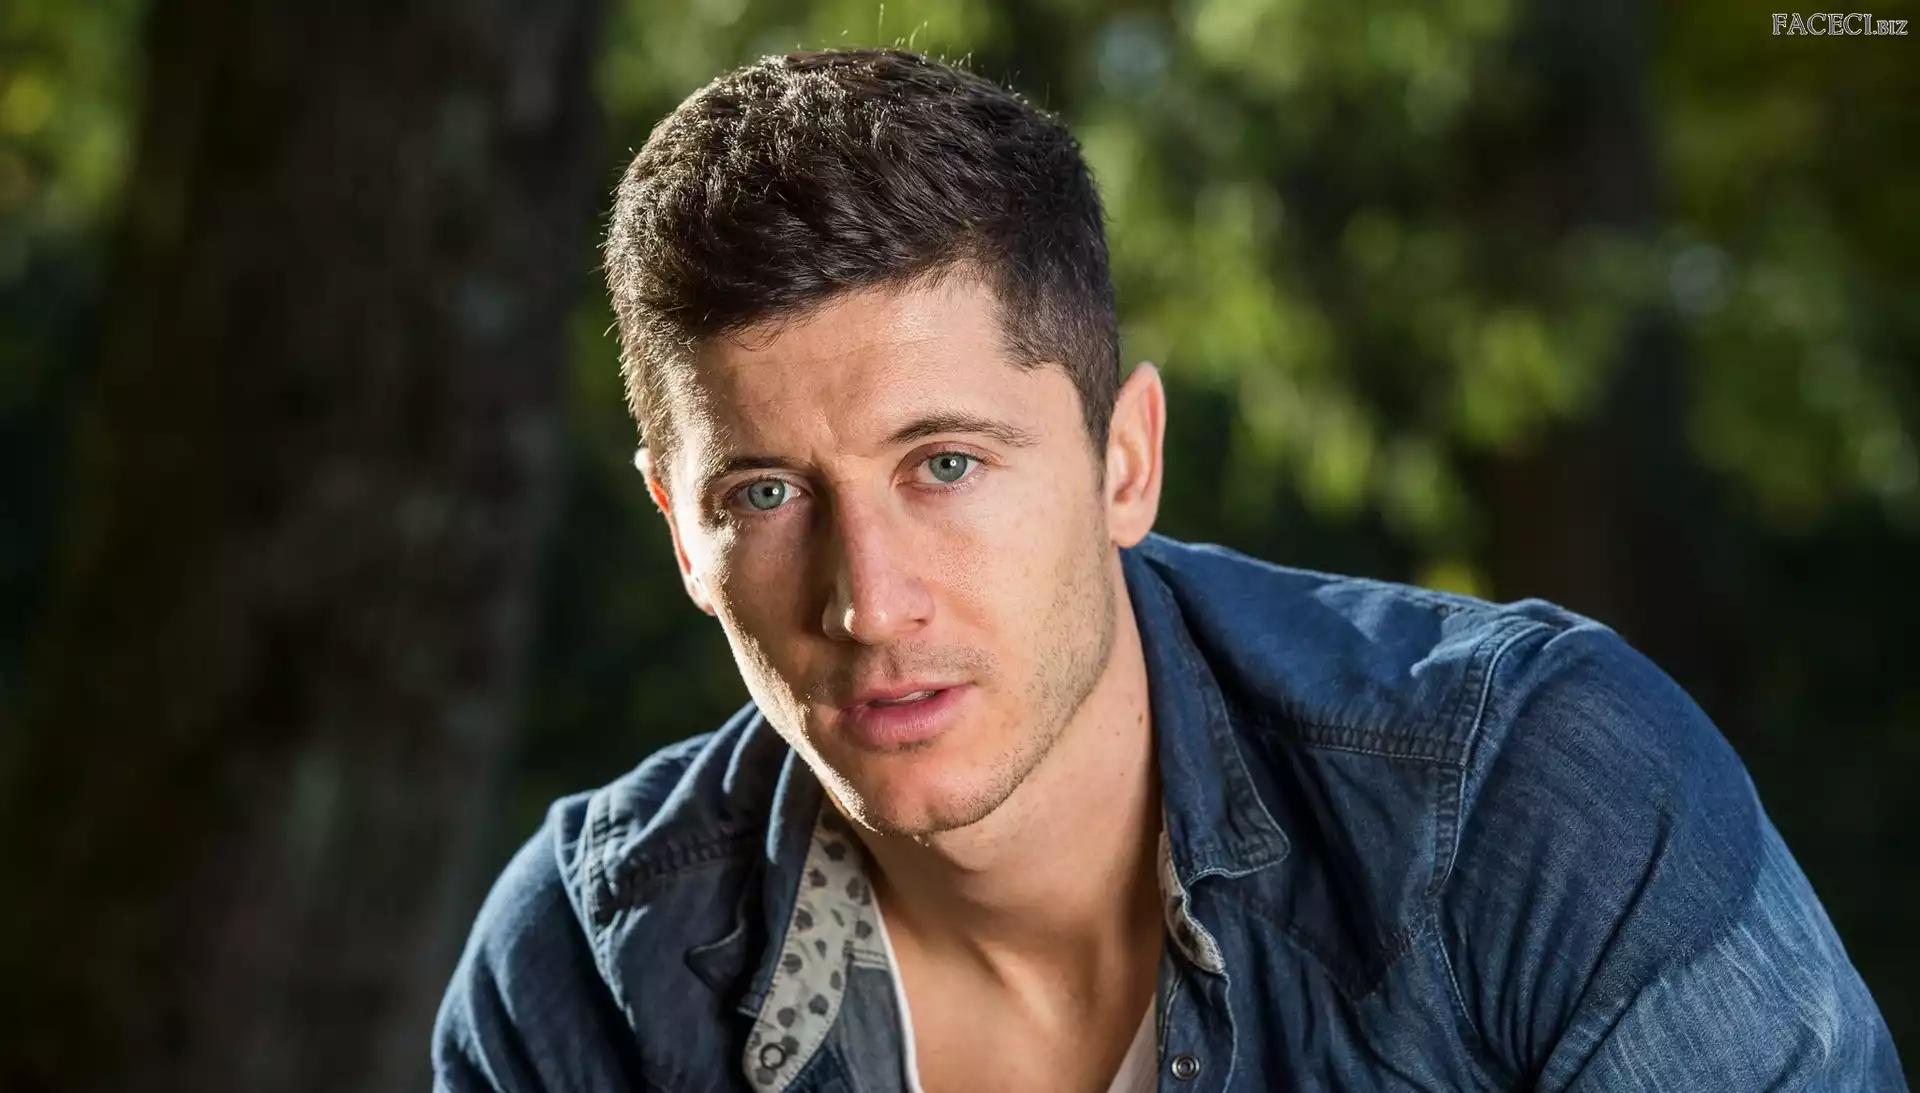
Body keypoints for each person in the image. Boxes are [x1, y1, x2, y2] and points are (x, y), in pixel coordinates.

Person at [432, 47, 1906, 1093]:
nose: (868, 602)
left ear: (1124, 462)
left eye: (946, 464)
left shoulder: (1530, 800)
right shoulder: (587, 971)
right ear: (679, 532)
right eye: (765, 493)